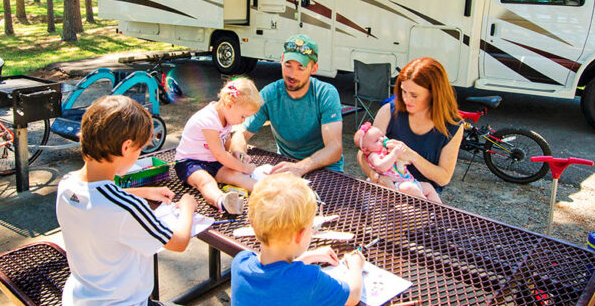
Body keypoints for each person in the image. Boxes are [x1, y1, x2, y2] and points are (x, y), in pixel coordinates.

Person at [55, 95, 231, 306]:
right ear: (126, 147)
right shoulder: (124, 208)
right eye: (140, 150)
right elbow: (178, 241)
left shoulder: (67, 185)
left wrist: (141, 190)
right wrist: (187, 207)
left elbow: (101, 196)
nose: (140, 155)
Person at [214, 173, 364, 306]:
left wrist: (307, 256)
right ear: (301, 235)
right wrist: (356, 266)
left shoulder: (240, 263)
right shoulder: (308, 281)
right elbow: (353, 295)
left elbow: (272, 271)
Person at [231, 34, 343, 177]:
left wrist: (301, 167)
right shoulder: (269, 94)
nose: (292, 74)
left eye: (300, 68)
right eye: (288, 65)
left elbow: (334, 149)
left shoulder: (325, 94)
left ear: (314, 69)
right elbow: (241, 133)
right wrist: (239, 154)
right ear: (282, 60)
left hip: (325, 168)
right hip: (286, 164)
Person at [356, 57, 462, 201]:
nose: (406, 99)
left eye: (414, 95)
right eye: (403, 92)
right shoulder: (389, 111)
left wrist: (412, 156)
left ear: (434, 94)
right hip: (385, 189)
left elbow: (443, 178)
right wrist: (377, 177)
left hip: (420, 193)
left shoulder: (453, 125)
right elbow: (363, 153)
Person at [175, 77, 263, 214]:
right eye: (243, 116)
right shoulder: (208, 119)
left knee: (235, 175)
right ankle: (221, 201)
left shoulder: (227, 117)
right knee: (206, 181)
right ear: (229, 104)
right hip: (189, 163)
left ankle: (268, 190)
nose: (243, 121)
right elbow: (219, 154)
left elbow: (225, 144)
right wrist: (245, 167)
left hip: (212, 161)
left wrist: (235, 154)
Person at [354, 122, 437, 201]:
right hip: (394, 185)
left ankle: (439, 212)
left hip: (407, 180)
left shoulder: (386, 150)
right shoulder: (373, 155)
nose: (382, 139)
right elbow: (382, 167)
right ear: (366, 150)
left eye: (382, 136)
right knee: (409, 188)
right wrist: (395, 154)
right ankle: (427, 208)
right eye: (376, 140)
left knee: (428, 187)